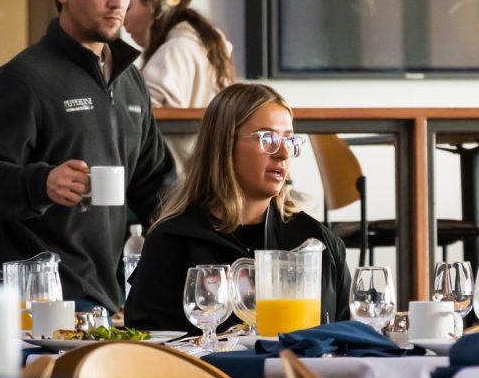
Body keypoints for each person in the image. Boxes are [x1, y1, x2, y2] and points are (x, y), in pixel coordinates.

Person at [0, 0, 175, 314]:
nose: (116, 1)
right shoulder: (24, 78)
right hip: (37, 304)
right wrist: (41, 182)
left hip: (105, 298)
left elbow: (156, 184)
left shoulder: (128, 78)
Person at [125, 83, 351, 333]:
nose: (284, 153)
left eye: (289, 140)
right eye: (268, 138)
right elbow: (146, 349)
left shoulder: (317, 242)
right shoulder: (173, 240)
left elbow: (344, 341)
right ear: (223, 145)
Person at [124, 0, 236, 174]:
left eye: (128, 7)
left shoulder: (175, 50)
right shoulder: (203, 44)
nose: (122, 19)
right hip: (203, 173)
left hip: (176, 179)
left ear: (153, 4)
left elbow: (139, 118)